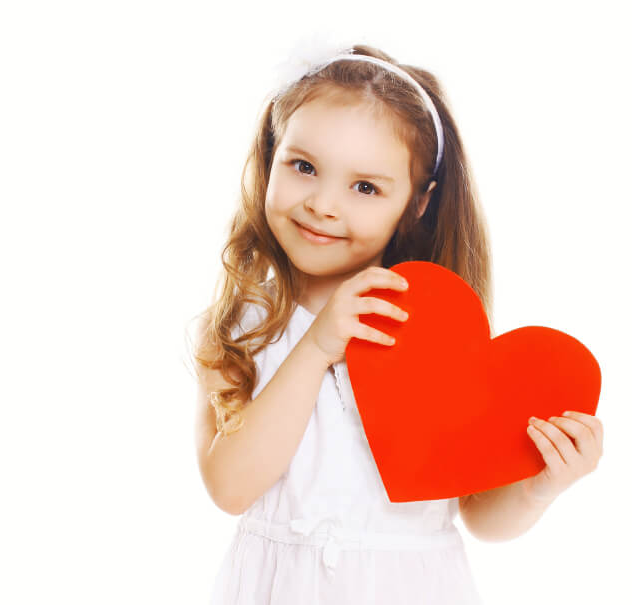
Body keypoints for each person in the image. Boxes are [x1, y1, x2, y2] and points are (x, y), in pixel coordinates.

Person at [189, 41, 603, 604]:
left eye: (365, 187)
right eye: (303, 166)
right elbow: (231, 488)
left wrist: (539, 487)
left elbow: (477, 517)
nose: (323, 204)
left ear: (418, 202)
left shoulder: (431, 333)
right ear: (271, 155)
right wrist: (314, 347)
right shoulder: (245, 322)